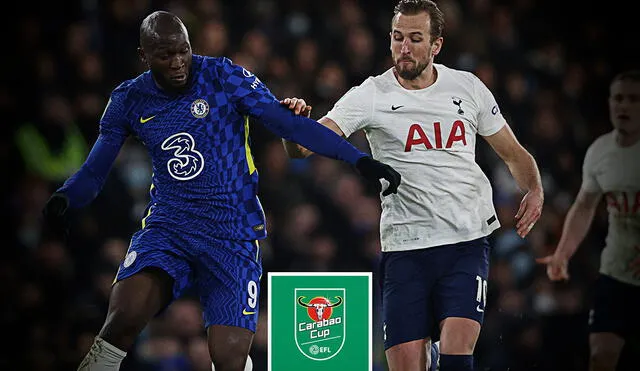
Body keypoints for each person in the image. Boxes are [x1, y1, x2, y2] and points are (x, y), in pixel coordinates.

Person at [41, 11, 402, 371]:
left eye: (183, 51)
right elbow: (93, 171)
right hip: (170, 227)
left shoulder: (224, 76)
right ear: (143, 56)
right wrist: (64, 199)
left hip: (232, 233)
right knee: (121, 321)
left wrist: (358, 161)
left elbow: (291, 126)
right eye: (166, 55)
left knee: (228, 358)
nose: (179, 62)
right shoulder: (129, 100)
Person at [281, 1, 544, 370]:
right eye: (398, 37)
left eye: (415, 39)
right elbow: (305, 147)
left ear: (436, 45)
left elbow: (514, 154)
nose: (404, 47)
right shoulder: (371, 94)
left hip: (464, 242)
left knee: (457, 354)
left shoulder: (467, 87)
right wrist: (292, 129)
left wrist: (534, 189)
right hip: (406, 248)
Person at [536, 70, 640, 371]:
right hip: (616, 272)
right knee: (600, 357)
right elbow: (584, 206)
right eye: (618, 98)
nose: (624, 106)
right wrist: (562, 254)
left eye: (633, 99)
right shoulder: (600, 152)